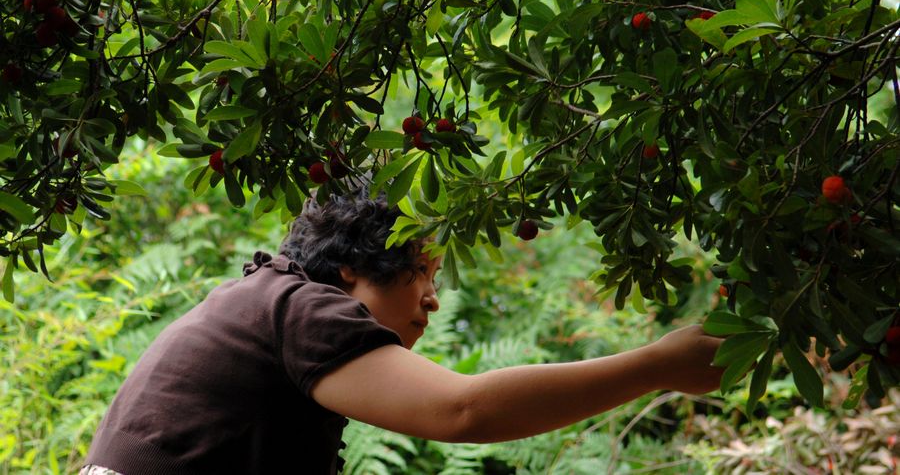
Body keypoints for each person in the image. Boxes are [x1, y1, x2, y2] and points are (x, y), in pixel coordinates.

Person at [82, 186, 725, 475]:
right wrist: (659, 366)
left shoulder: (258, 304)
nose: (432, 300)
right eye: (420, 269)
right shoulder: (301, 309)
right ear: (350, 268)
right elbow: (463, 411)